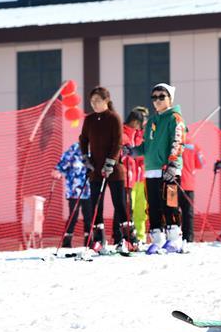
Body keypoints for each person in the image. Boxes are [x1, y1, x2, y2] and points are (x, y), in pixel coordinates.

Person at [130, 83, 186, 254]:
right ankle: (157, 239)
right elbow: (146, 146)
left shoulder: (175, 118)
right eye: (154, 97)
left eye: (162, 96)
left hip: (169, 169)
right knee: (153, 205)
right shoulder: (152, 121)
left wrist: (173, 163)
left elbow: (178, 141)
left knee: (170, 204)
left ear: (170, 99)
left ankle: (175, 239)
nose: (157, 100)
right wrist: (131, 150)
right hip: (152, 169)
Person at [79, 86, 136, 253]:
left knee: (120, 204)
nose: (94, 104)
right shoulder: (89, 120)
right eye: (92, 101)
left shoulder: (114, 118)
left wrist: (110, 162)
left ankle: (126, 239)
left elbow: (117, 142)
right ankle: (99, 240)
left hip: (114, 170)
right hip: (96, 169)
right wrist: (85, 158)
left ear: (106, 101)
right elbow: (83, 139)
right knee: (96, 204)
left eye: (97, 101)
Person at [52, 142, 92, 248]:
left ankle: (89, 241)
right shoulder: (75, 148)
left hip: (88, 189)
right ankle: (67, 241)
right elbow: (65, 160)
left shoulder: (94, 148)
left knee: (89, 216)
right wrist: (58, 170)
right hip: (74, 189)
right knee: (73, 216)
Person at [123, 106, 149, 238]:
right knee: (129, 208)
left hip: (141, 177)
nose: (145, 122)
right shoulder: (127, 132)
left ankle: (140, 236)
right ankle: (127, 236)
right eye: (143, 118)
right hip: (129, 177)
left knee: (141, 209)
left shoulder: (144, 134)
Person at [180, 135, 205, 242]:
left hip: (172, 184)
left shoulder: (168, 142)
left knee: (171, 212)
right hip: (188, 184)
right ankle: (188, 238)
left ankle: (172, 238)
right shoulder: (193, 145)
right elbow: (201, 163)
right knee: (188, 213)